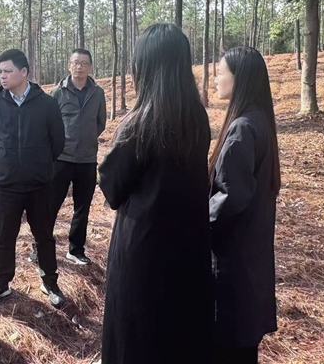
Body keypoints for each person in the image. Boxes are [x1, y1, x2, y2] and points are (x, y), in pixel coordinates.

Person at [98, 23, 213, 364]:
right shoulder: (197, 117)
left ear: (145, 67)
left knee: (136, 339)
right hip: (188, 249)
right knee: (180, 335)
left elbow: (112, 188)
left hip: (143, 254)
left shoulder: (139, 124)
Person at [0, 49, 68, 308]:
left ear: (24, 72)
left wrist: (38, 164)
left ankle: (50, 282)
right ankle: (1, 283)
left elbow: (57, 142)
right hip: (6, 186)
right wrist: (6, 162)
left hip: (40, 185)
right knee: (5, 237)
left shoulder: (47, 104)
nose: (2, 76)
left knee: (44, 236)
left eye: (8, 71)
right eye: (0, 72)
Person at [209, 47, 280, 364]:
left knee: (230, 349)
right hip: (250, 260)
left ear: (239, 79)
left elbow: (229, 198)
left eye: (220, 72)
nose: (215, 79)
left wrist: (194, 226)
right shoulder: (259, 121)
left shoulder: (242, 129)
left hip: (233, 266)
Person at [32, 48, 106, 266]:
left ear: (90, 67)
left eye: (84, 63)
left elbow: (100, 122)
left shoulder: (98, 93)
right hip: (61, 159)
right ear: (69, 65)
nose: (79, 67)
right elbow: (46, 124)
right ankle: (39, 248)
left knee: (82, 208)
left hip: (87, 159)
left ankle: (76, 250)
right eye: (76, 62)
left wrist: (86, 139)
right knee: (50, 206)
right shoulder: (57, 93)